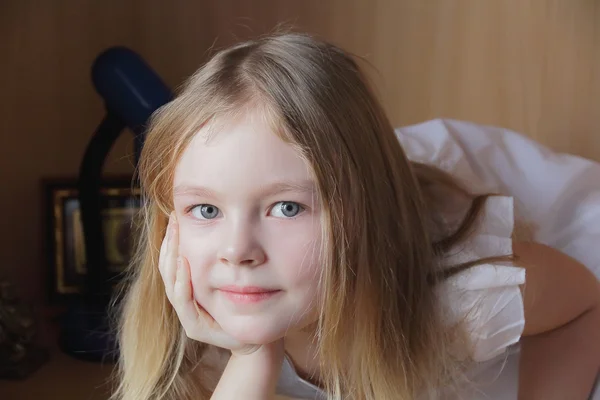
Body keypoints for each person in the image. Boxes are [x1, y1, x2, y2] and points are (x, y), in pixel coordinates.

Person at [110, 32, 600, 400]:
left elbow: (584, 305)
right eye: (206, 209)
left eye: (286, 208)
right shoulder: (195, 297)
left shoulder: (461, 295)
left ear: (358, 218)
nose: (237, 250)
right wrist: (252, 358)